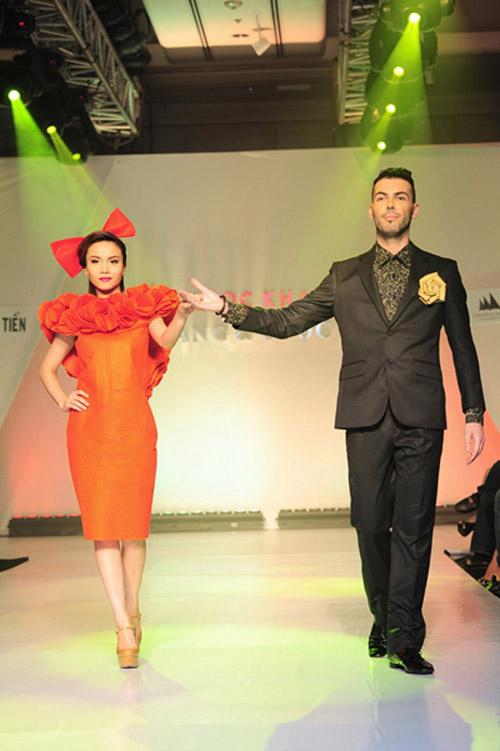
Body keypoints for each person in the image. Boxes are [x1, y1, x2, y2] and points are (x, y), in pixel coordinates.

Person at [181, 167, 486, 675]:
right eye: (382, 197)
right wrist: (226, 308)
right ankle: (383, 615)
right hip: (365, 414)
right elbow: (288, 320)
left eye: (401, 197)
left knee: (413, 528)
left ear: (415, 208)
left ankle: (404, 638)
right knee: (370, 524)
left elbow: (462, 347)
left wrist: (473, 412)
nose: (391, 204)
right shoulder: (344, 274)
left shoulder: (442, 271)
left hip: (421, 415)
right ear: (370, 209)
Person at [39, 209, 192, 669]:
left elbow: (165, 340)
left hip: (134, 428)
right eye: (95, 261)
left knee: (134, 531)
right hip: (90, 432)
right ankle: (123, 624)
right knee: (103, 531)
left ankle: (133, 607)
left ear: (124, 265)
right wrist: (64, 399)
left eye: (112, 260)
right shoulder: (76, 315)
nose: (104, 269)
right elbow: (48, 368)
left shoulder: (141, 308)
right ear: (85, 268)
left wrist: (184, 313)